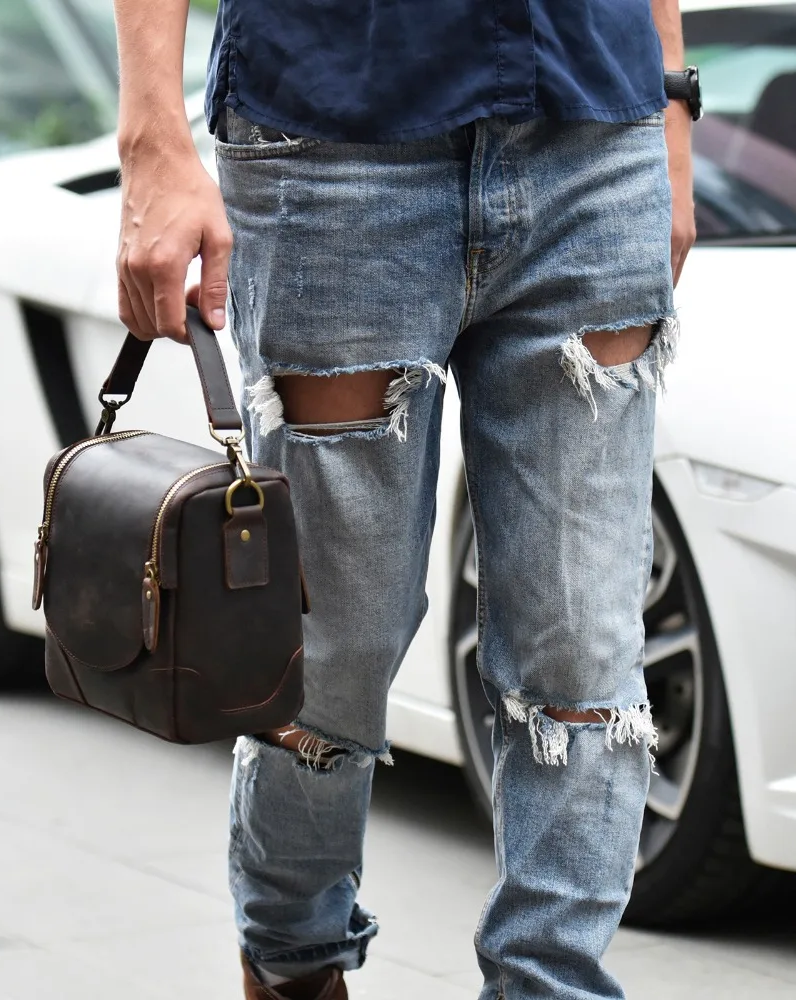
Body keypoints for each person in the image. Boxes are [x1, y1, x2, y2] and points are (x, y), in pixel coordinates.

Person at [112, 0, 696, 996]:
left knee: (582, 649)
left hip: (595, 133)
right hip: (335, 141)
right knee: (334, 646)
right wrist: (150, 140)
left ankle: (548, 981)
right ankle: (293, 955)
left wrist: (670, 103)